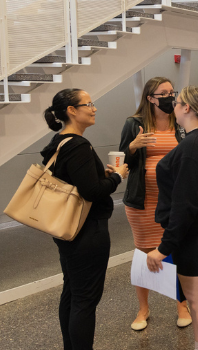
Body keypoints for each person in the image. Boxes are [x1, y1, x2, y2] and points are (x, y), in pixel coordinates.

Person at [146, 86, 198, 350]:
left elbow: (186, 204)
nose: (173, 104)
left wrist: (163, 248)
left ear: (187, 108)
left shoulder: (194, 144)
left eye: (177, 101)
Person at [42, 88, 128, 350]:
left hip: (67, 231)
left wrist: (97, 173)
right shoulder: (78, 145)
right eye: (88, 104)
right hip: (87, 231)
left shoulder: (59, 142)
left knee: (72, 292)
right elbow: (92, 192)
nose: (94, 108)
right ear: (71, 111)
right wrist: (117, 176)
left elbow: (75, 181)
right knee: (85, 300)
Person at [119, 77, 192, 331]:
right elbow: (120, 161)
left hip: (174, 202)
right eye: (164, 93)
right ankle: (143, 308)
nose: (170, 96)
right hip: (143, 201)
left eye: (172, 92)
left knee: (176, 251)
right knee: (143, 254)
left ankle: (181, 305)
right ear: (150, 98)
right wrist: (132, 146)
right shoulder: (135, 123)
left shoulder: (180, 122)